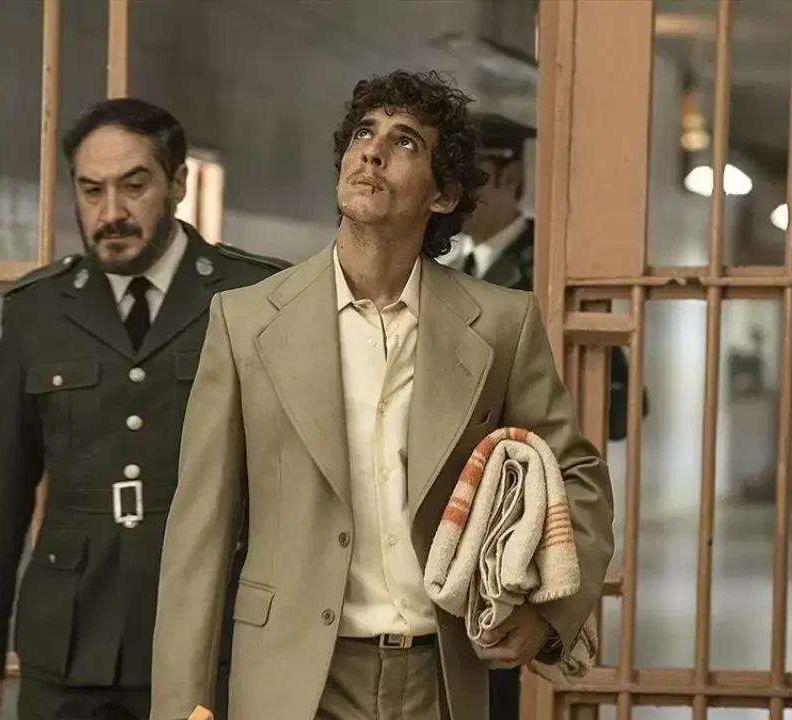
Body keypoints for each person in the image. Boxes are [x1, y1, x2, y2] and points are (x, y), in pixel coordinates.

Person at [150, 70, 614, 720]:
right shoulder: (246, 321)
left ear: (443, 194)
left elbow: (578, 474)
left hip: (442, 676)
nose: (371, 152)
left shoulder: (500, 324)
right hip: (293, 680)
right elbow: (200, 528)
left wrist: (549, 616)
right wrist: (181, 706)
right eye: (363, 134)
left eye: (405, 143)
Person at [0, 97, 288, 720]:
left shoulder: (254, 295)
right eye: (91, 190)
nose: (111, 214)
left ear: (177, 184)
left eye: (133, 187)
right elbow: (1, 486)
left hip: (209, 635)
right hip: (70, 641)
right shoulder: (39, 310)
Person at [449, 112, 646, 450]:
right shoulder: (448, 273)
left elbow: (620, 403)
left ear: (512, 175)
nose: (454, 193)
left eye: (470, 177)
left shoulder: (551, 272)